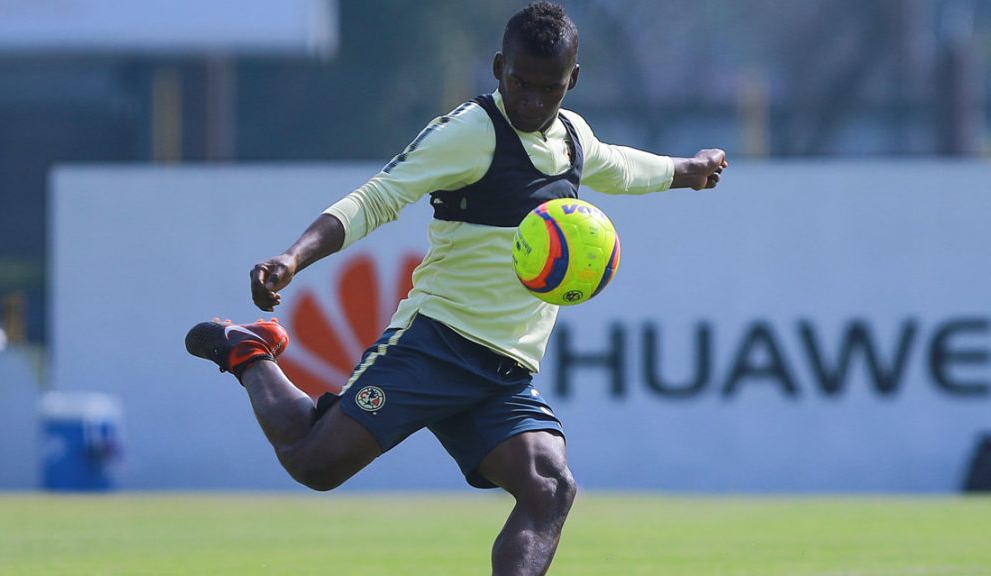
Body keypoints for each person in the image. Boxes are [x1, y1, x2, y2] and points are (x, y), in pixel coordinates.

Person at [185, 2, 726, 574]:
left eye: (551, 88)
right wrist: (294, 257)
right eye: (521, 83)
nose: (534, 101)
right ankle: (247, 351)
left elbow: (616, 165)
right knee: (315, 465)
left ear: (574, 81)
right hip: (435, 347)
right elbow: (378, 198)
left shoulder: (571, 137)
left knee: (550, 486)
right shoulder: (469, 133)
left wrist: (687, 170)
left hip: (506, 370)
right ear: (498, 67)